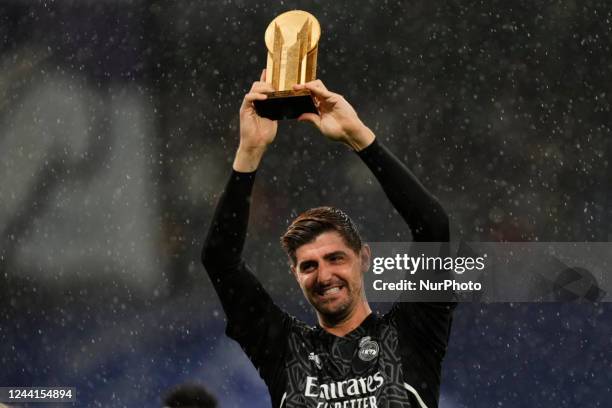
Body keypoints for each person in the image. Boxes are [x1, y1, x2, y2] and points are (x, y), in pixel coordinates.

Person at [202, 70, 455, 408]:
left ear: (364, 258)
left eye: (336, 258)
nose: (324, 276)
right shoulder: (284, 349)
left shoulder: (413, 332)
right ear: (295, 274)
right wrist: (249, 151)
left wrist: (359, 138)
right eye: (309, 265)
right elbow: (219, 259)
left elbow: (433, 228)